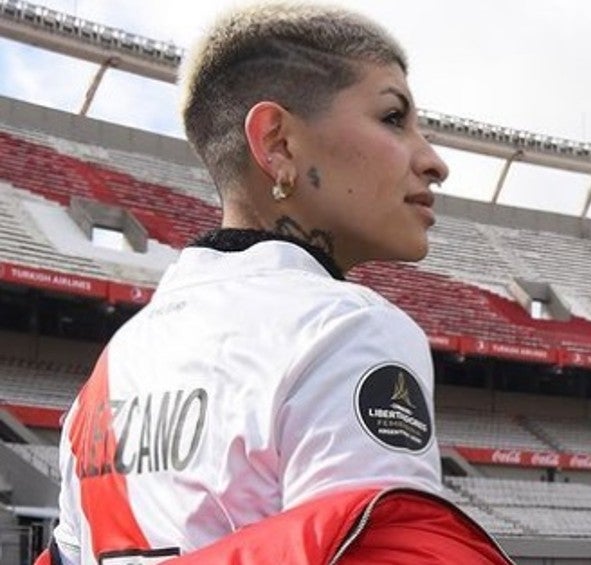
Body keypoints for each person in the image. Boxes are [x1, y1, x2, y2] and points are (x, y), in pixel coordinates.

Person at [39, 2, 511, 563]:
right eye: (392, 117)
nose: (434, 161)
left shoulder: (108, 373)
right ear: (279, 143)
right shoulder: (344, 328)